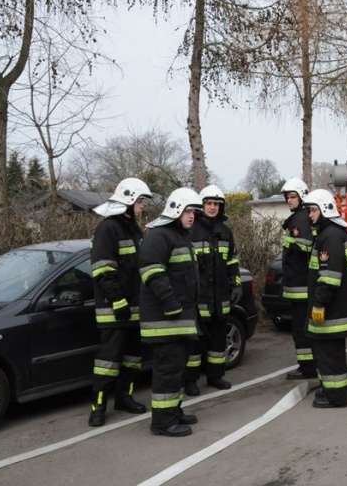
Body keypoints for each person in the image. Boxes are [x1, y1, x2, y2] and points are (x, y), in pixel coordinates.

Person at [139, 188, 203, 437]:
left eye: (194, 212)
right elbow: (152, 272)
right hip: (166, 320)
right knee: (167, 371)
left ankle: (174, 411)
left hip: (180, 320)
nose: (192, 217)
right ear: (176, 210)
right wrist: (171, 302)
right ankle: (163, 422)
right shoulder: (159, 237)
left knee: (177, 370)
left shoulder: (179, 236)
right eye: (188, 211)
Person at [88, 177, 152, 427]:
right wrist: (118, 301)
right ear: (127, 200)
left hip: (135, 308)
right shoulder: (108, 229)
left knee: (133, 359)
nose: (142, 207)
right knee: (108, 362)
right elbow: (103, 270)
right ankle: (98, 407)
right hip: (113, 310)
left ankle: (124, 398)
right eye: (139, 202)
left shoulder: (133, 228)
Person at [302, 189, 347, 408]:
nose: (310, 215)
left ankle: (336, 397)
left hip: (330, 312)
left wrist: (318, 303)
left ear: (325, 210)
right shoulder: (333, 234)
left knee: (329, 356)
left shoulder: (331, 236)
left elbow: (330, 277)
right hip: (334, 309)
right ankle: (331, 391)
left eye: (313, 210)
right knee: (328, 355)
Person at [184, 185, 241, 396]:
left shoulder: (225, 232)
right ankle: (190, 381)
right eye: (208, 203)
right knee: (195, 344)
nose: (212, 207)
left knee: (218, 340)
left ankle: (215, 376)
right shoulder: (191, 231)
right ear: (202, 206)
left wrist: (235, 284)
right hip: (199, 299)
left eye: (216, 204)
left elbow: (232, 263)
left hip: (221, 297)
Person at [280, 178, 317, 380]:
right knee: (302, 327)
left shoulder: (300, 219)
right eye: (287, 197)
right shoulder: (301, 217)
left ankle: (307, 368)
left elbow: (305, 247)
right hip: (300, 285)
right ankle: (309, 365)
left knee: (301, 329)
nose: (289, 201)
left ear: (302, 197)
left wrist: (294, 243)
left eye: (292, 197)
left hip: (301, 286)